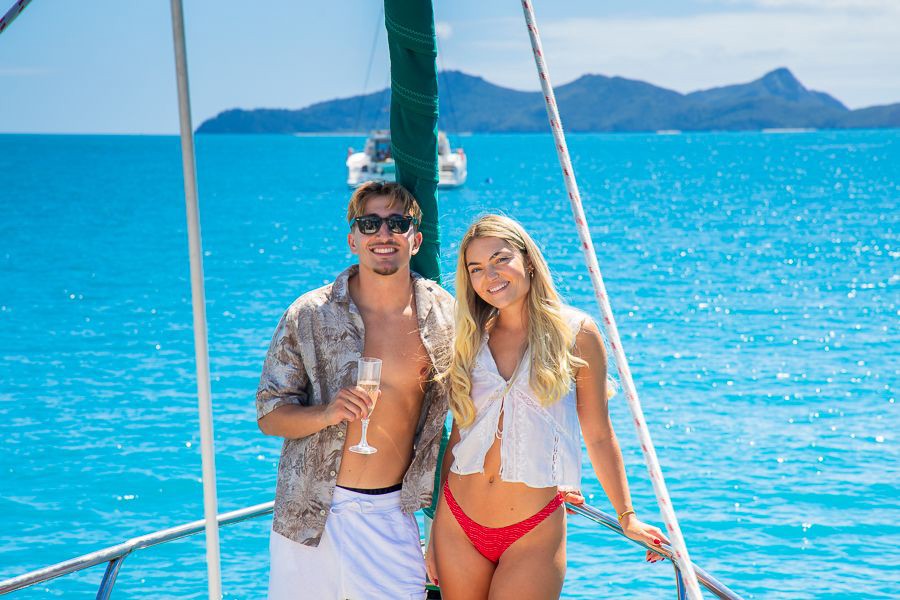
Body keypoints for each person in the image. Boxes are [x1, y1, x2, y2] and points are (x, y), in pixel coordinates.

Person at [427, 214, 668, 599]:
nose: (490, 275)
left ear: (527, 259)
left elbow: (599, 433)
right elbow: (460, 434)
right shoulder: (472, 335)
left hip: (531, 532)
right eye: (476, 268)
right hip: (457, 525)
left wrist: (628, 517)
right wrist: (436, 531)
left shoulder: (576, 333)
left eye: (500, 259)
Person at [256, 181, 454, 599]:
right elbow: (270, 414)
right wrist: (326, 414)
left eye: (397, 223)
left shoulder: (445, 317)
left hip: (391, 513)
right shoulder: (308, 313)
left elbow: (480, 405)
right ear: (353, 239)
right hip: (308, 513)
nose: (384, 234)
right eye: (370, 224)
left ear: (415, 239)